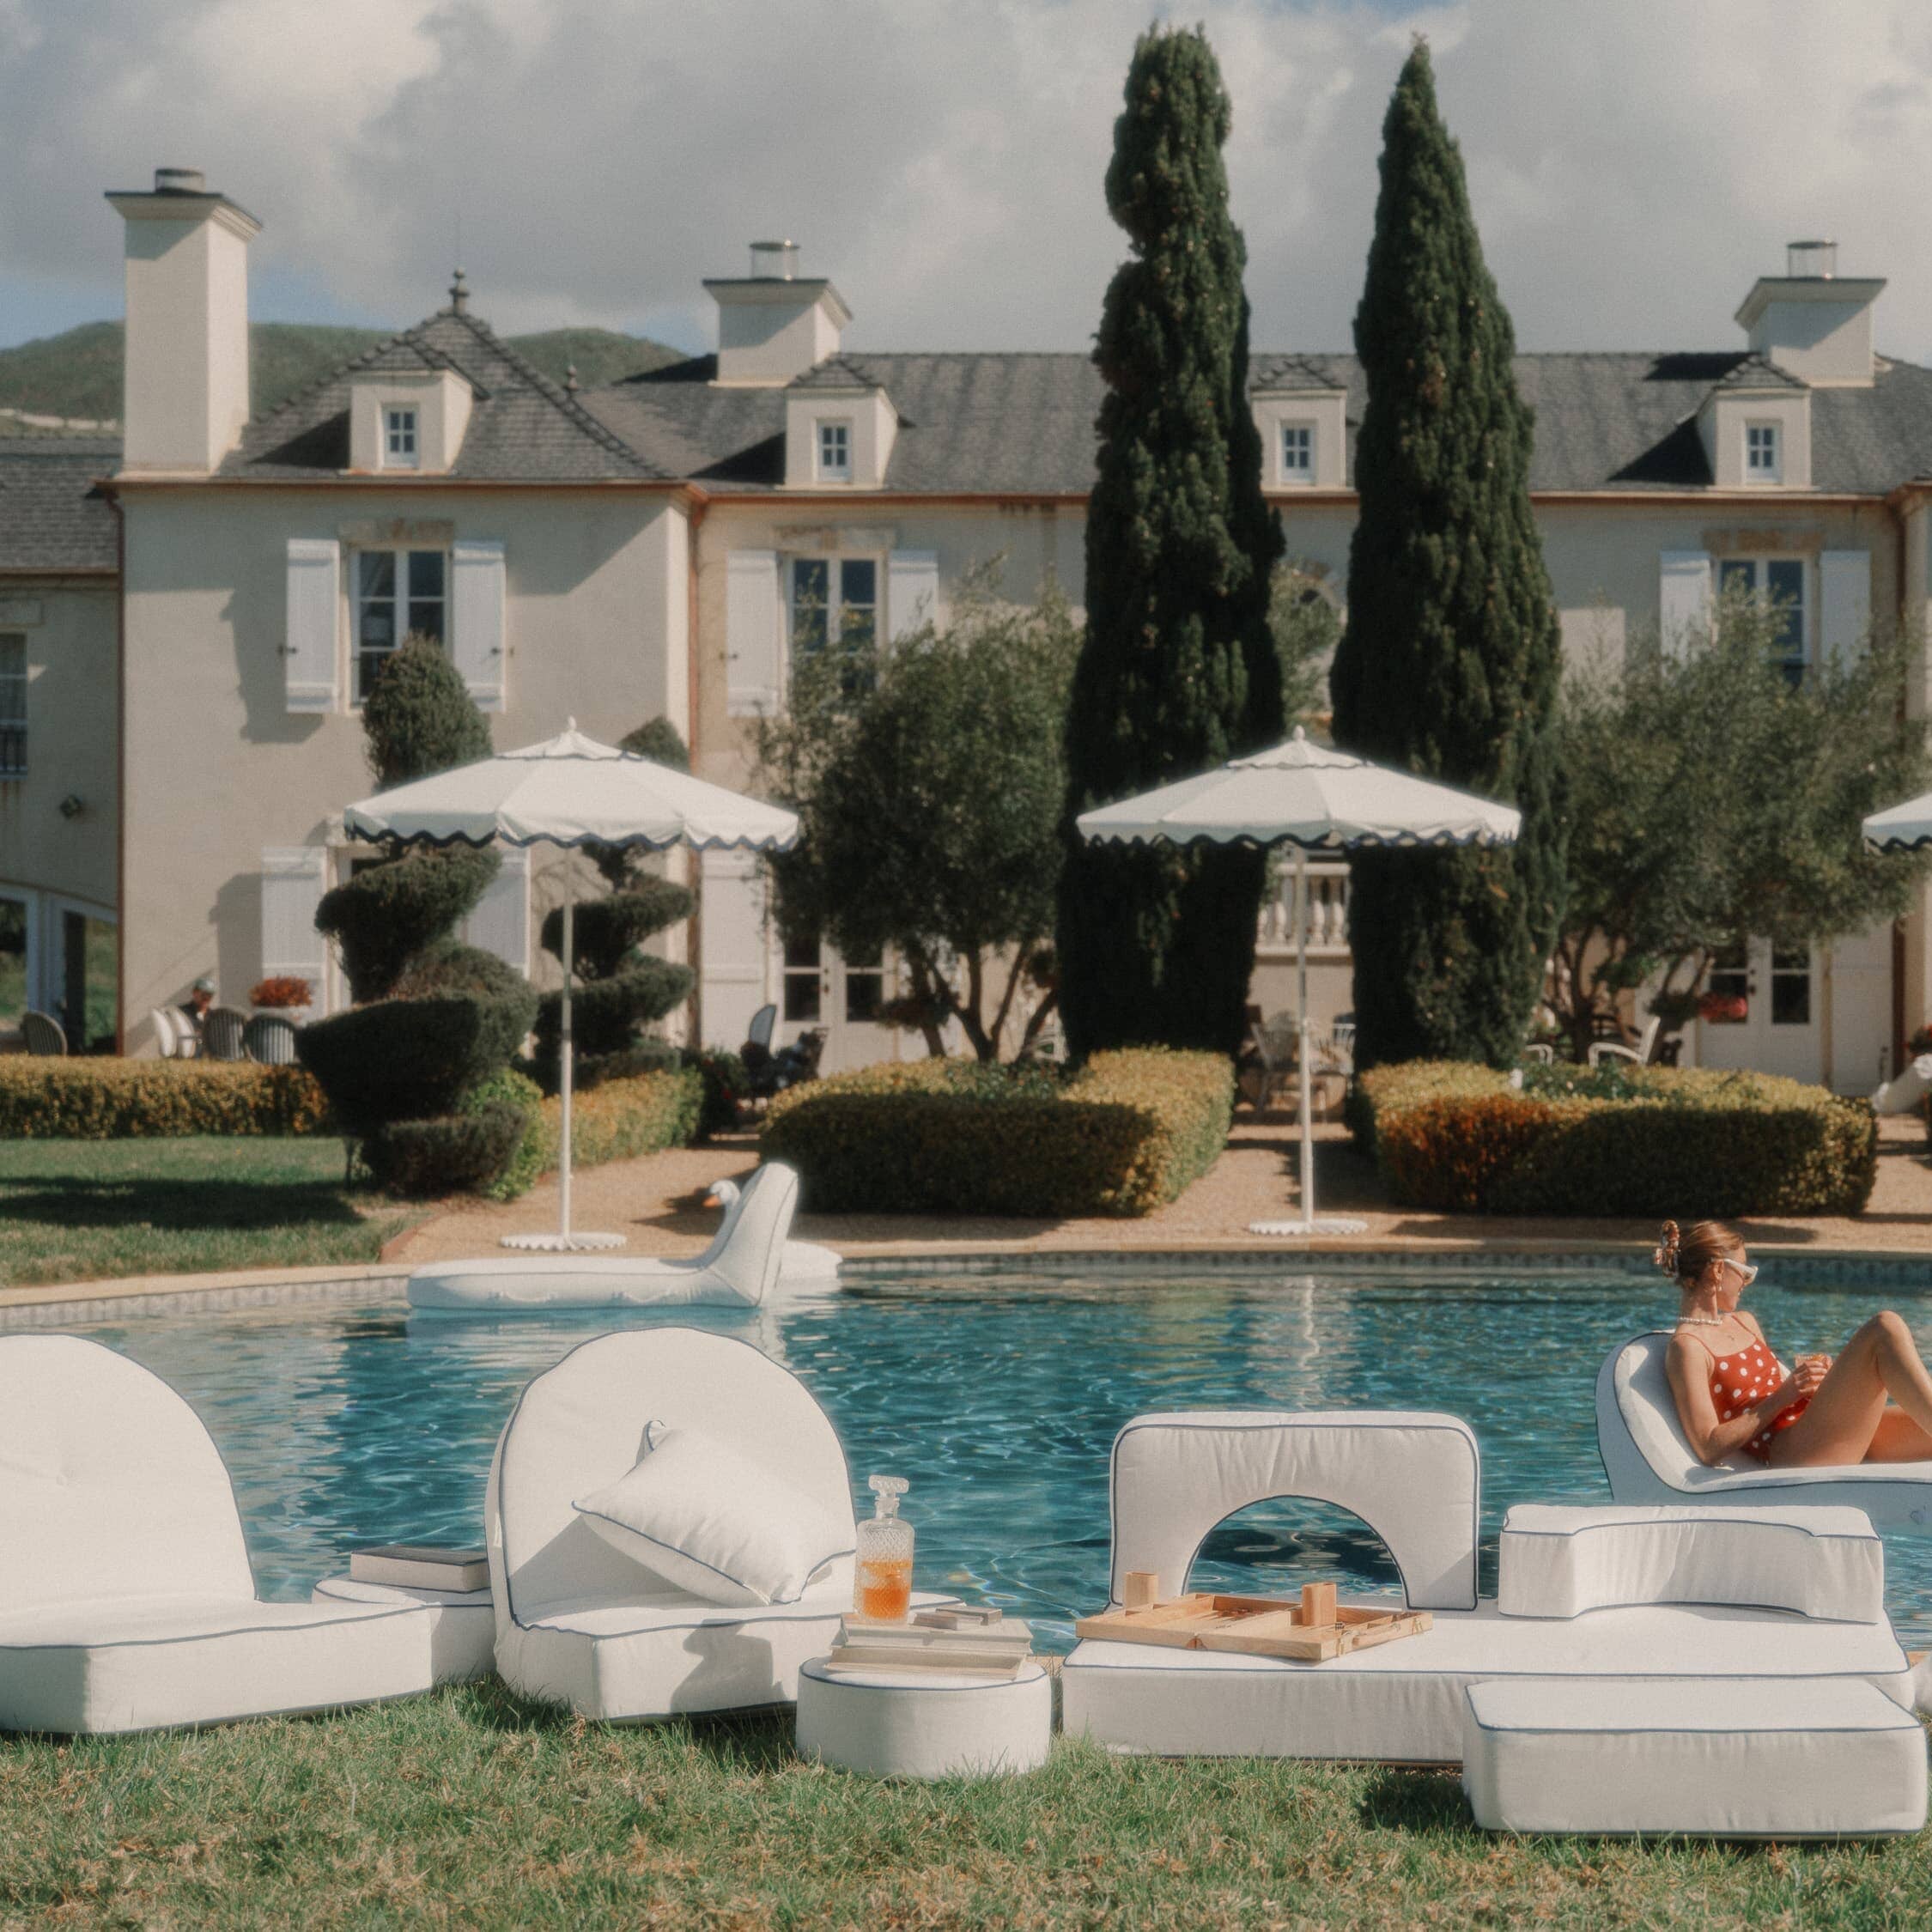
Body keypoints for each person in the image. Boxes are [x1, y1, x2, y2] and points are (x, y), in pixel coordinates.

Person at [1661, 1218, 1932, 1467]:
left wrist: (1816, 1385)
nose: (1747, 1282)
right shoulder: (1688, 1347)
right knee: (1884, 1328)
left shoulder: (1744, 1321)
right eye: (1745, 1272)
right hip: (1791, 1451)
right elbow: (1708, 1446)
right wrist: (1785, 1395)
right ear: (1719, 1270)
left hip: (1812, 1428)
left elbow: (1781, 1390)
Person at [176, 976, 215, 1058]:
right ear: (194, 992)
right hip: (188, 1055)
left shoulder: (213, 1016)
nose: (206, 998)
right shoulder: (181, 1013)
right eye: (203, 994)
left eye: (210, 995)